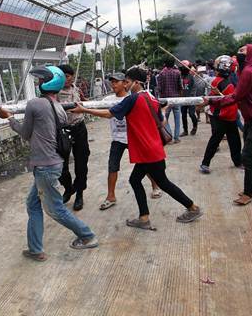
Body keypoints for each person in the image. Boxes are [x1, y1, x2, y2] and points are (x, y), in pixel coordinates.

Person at [72, 65, 203, 230]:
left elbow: (109, 114)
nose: (125, 85)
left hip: (147, 150)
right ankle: (144, 217)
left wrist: (84, 109)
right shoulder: (151, 97)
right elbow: (162, 122)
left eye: (127, 82)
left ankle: (192, 208)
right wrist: (163, 109)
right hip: (152, 148)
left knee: (163, 183)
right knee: (136, 180)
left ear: (136, 82)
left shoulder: (132, 99)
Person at [0, 65, 98, 262]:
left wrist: (9, 117)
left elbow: (25, 133)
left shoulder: (35, 104)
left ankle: (87, 236)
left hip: (44, 166)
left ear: (47, 83)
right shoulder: (59, 108)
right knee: (33, 203)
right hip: (52, 163)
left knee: (55, 209)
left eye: (41, 81)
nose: (38, 83)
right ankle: (35, 249)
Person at [203, 44, 252, 205]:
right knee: (250, 153)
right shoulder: (246, 71)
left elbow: (236, 96)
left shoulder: (249, 72)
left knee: (247, 154)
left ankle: (248, 193)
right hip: (250, 117)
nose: (238, 53)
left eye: (243, 51)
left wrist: (214, 101)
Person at [99, 73, 162, 211]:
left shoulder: (132, 98)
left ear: (125, 83)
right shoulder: (107, 99)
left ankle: (155, 186)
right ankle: (111, 196)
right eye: (112, 82)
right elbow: (102, 111)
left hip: (134, 137)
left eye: (117, 82)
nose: (113, 84)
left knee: (144, 166)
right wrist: (83, 105)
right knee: (112, 166)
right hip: (117, 138)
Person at [199, 55, 242, 174]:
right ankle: (205, 163)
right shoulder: (216, 82)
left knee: (235, 141)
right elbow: (212, 99)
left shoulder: (234, 79)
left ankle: (238, 161)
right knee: (215, 141)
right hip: (220, 116)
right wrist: (213, 99)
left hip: (232, 116)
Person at [56, 64, 90, 211]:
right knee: (59, 165)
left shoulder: (77, 90)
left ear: (73, 76)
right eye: (62, 77)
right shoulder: (54, 92)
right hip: (62, 130)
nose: (65, 80)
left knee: (81, 163)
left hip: (79, 128)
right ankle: (69, 188)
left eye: (68, 76)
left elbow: (86, 101)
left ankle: (79, 194)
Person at [157, 58, 183, 143]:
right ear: (173, 64)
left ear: (165, 64)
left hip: (165, 100)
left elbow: (159, 88)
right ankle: (177, 137)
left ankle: (169, 135)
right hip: (176, 99)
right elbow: (180, 87)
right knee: (177, 119)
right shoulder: (177, 73)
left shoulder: (161, 74)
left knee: (165, 119)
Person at [180, 61, 198, 136]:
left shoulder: (191, 77)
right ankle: (185, 130)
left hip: (190, 99)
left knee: (191, 114)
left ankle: (195, 126)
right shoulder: (180, 76)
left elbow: (194, 87)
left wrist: (191, 96)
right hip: (182, 99)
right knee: (183, 115)